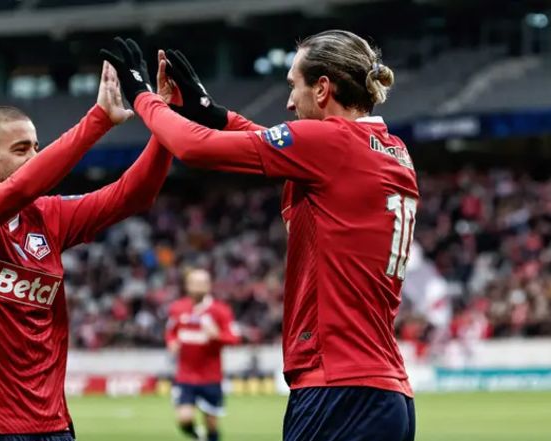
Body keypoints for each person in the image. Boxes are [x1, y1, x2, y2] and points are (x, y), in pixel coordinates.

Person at [102, 30, 418, 441]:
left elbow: (194, 149)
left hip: (337, 388)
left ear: (322, 88)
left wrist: (144, 97)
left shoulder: (331, 142)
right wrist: (212, 113)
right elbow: (280, 146)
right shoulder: (391, 150)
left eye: (293, 85)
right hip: (387, 391)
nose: (289, 102)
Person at [0, 60, 173, 441]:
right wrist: (97, 121)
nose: (34, 157)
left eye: (36, 147)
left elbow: (132, 195)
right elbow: (22, 187)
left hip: (56, 427)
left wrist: (165, 124)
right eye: (21, 149)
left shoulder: (47, 216)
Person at [165, 268, 240, 441]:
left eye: (203, 282)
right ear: (187, 285)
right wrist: (171, 342)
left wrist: (217, 336)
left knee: (211, 423)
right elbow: (170, 331)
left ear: (209, 285)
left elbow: (234, 338)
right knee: (184, 418)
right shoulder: (178, 308)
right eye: (195, 282)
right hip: (185, 376)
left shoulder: (221, 310)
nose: (199, 286)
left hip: (211, 377)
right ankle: (198, 436)